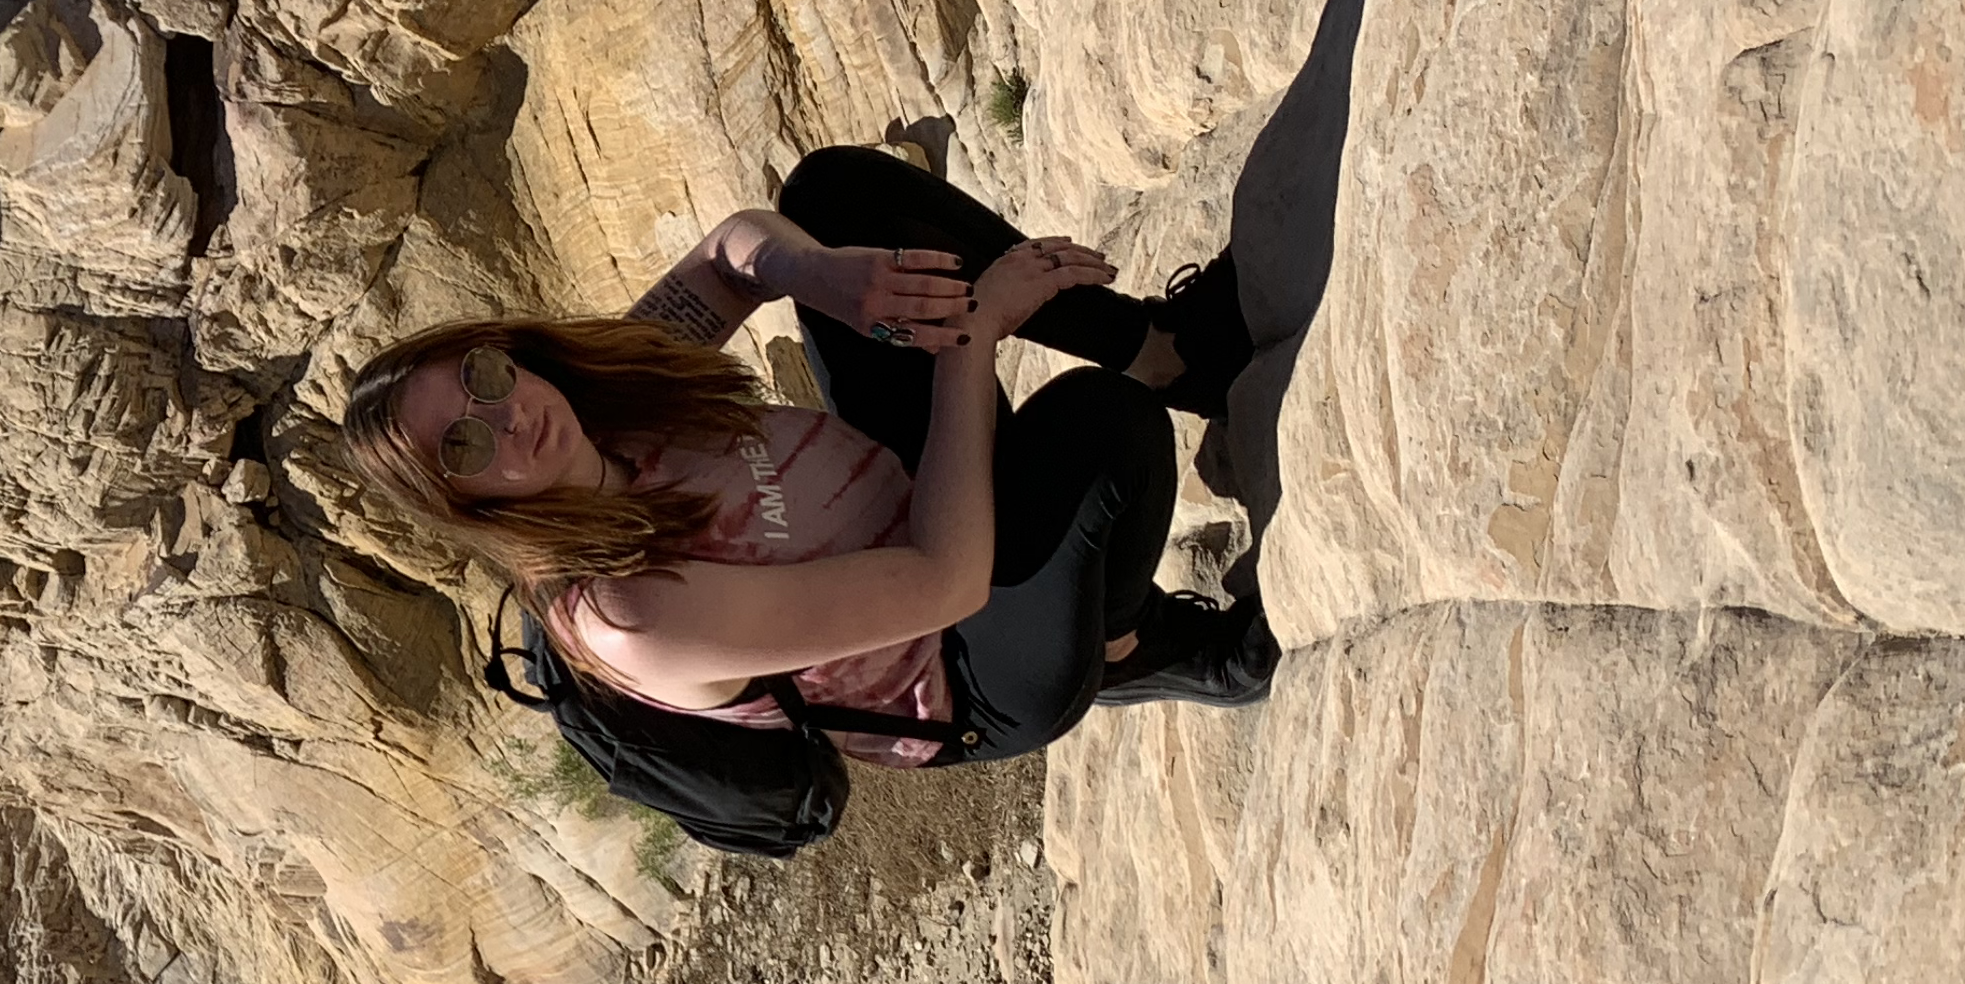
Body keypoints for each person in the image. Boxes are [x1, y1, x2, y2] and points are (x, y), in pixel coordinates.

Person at [341, 144, 1272, 769]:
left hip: (913, 487)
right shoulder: (630, 613)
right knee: (1106, 429)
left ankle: (1169, 349)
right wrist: (976, 333)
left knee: (833, 199)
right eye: (465, 443)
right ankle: (1138, 645)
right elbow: (945, 579)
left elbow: (729, 256)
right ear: (466, 503)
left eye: (483, 376)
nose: (508, 419)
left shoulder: (591, 412)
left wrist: (821, 275)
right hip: (962, 652)